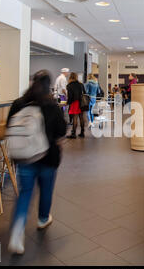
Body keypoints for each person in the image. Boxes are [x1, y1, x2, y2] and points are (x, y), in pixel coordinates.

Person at [7, 70, 66, 254]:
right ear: (49, 85)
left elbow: (8, 126)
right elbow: (61, 131)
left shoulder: (19, 103)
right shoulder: (51, 105)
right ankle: (42, 219)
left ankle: (17, 232)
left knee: (25, 193)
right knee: (46, 189)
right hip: (48, 157)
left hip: (25, 158)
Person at [67, 72, 86, 139]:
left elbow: (70, 96)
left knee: (75, 118)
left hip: (75, 103)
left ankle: (73, 133)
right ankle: (82, 133)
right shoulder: (81, 84)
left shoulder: (69, 85)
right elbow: (85, 93)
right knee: (81, 117)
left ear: (70, 77)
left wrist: (68, 102)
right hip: (82, 102)